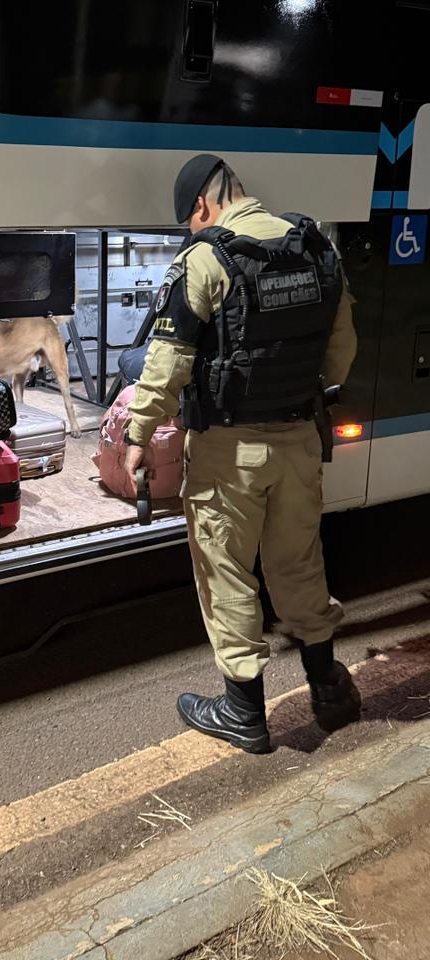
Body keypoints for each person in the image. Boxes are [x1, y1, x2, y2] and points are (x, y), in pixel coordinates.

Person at [124, 154, 360, 754]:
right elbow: (340, 356)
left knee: (225, 570)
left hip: (229, 453)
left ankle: (243, 711)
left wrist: (137, 436)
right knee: (299, 562)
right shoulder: (317, 250)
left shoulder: (206, 260)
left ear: (200, 206)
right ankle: (328, 688)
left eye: (188, 221)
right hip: (302, 443)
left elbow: (167, 365)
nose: (191, 231)